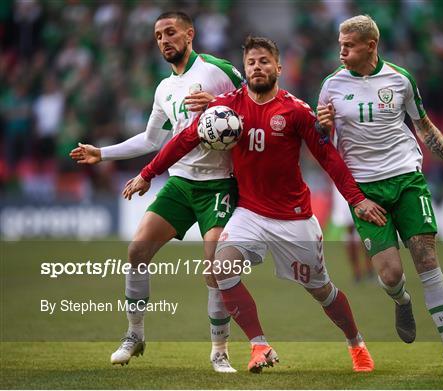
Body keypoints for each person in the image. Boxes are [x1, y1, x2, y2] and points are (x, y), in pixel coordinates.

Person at [123, 36, 388, 373]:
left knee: (321, 290)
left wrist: (358, 199)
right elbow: (184, 139)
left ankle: (356, 343)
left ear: (278, 67)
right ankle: (258, 345)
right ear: (244, 69)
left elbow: (329, 159)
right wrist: (148, 173)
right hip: (248, 213)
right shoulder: (226, 107)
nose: (258, 67)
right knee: (221, 269)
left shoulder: (295, 110)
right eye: (251, 62)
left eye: (264, 61)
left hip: (294, 218)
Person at [69, 11, 243, 373]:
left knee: (216, 267)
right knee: (137, 250)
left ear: (190, 34)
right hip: (180, 183)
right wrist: (102, 153)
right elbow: (152, 139)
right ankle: (134, 335)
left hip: (220, 183)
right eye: (158, 36)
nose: (164, 40)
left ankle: (219, 351)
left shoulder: (218, 71)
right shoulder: (164, 89)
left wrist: (218, 103)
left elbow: (255, 101)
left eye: (171, 32)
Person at [317, 15, 443, 377]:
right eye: (340, 44)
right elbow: (321, 145)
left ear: (370, 46)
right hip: (364, 190)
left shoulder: (400, 79)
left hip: (407, 179)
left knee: (426, 259)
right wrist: (322, 128)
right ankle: (401, 300)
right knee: (391, 275)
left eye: (348, 45)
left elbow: (424, 126)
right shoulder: (330, 86)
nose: (341, 51)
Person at [331, 185, 374, 283]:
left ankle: (370, 269)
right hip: (342, 185)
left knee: (367, 226)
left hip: (362, 182)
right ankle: (356, 272)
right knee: (349, 229)